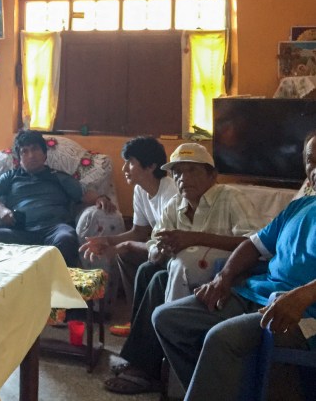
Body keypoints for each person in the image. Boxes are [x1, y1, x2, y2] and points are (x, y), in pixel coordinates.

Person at [153, 131, 316, 401]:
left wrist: (305, 294)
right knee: (168, 319)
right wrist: (223, 279)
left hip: (303, 313)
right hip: (256, 294)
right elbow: (253, 245)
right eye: (311, 161)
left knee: (221, 339)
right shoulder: (299, 207)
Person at [103, 143, 254, 395]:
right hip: (184, 274)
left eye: (192, 171)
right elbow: (153, 244)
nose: (184, 178)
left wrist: (194, 238)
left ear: (212, 175)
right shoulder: (175, 204)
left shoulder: (230, 197)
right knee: (150, 273)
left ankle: (147, 366)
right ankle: (147, 362)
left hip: (226, 277)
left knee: (162, 275)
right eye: (178, 173)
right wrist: (161, 248)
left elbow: (253, 243)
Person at [80, 136, 178, 336]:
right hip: (157, 248)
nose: (124, 168)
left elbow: (163, 247)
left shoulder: (171, 194)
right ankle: (137, 320)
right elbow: (139, 232)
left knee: (140, 262)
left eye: (130, 162)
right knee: (125, 254)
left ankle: (148, 325)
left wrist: (123, 245)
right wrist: (106, 241)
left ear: (151, 166)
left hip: (175, 253)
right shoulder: (141, 190)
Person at [0, 129, 116, 268]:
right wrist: (0, 209)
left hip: (54, 229)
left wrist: (100, 198)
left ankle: (59, 285)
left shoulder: (58, 176)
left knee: (66, 238)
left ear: (44, 154)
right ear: (19, 158)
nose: (31, 155)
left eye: (35, 149)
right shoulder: (11, 176)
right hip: (20, 231)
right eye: (24, 151)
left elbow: (83, 195)